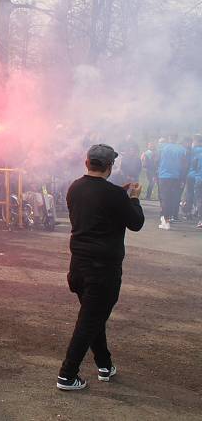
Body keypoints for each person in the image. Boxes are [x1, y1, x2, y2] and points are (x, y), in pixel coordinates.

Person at [57, 144, 144, 391]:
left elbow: (99, 202)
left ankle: (104, 365)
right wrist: (134, 198)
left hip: (78, 268)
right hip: (102, 271)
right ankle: (67, 375)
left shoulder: (75, 187)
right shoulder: (114, 194)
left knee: (93, 317)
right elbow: (136, 222)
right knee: (89, 322)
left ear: (87, 163)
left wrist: (120, 193)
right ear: (110, 167)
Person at [156, 134, 186, 230]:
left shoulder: (163, 147)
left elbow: (156, 159)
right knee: (172, 198)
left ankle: (166, 220)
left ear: (169, 138)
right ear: (176, 139)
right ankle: (169, 217)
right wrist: (182, 178)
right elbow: (184, 164)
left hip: (164, 176)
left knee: (164, 198)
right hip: (175, 176)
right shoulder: (182, 149)